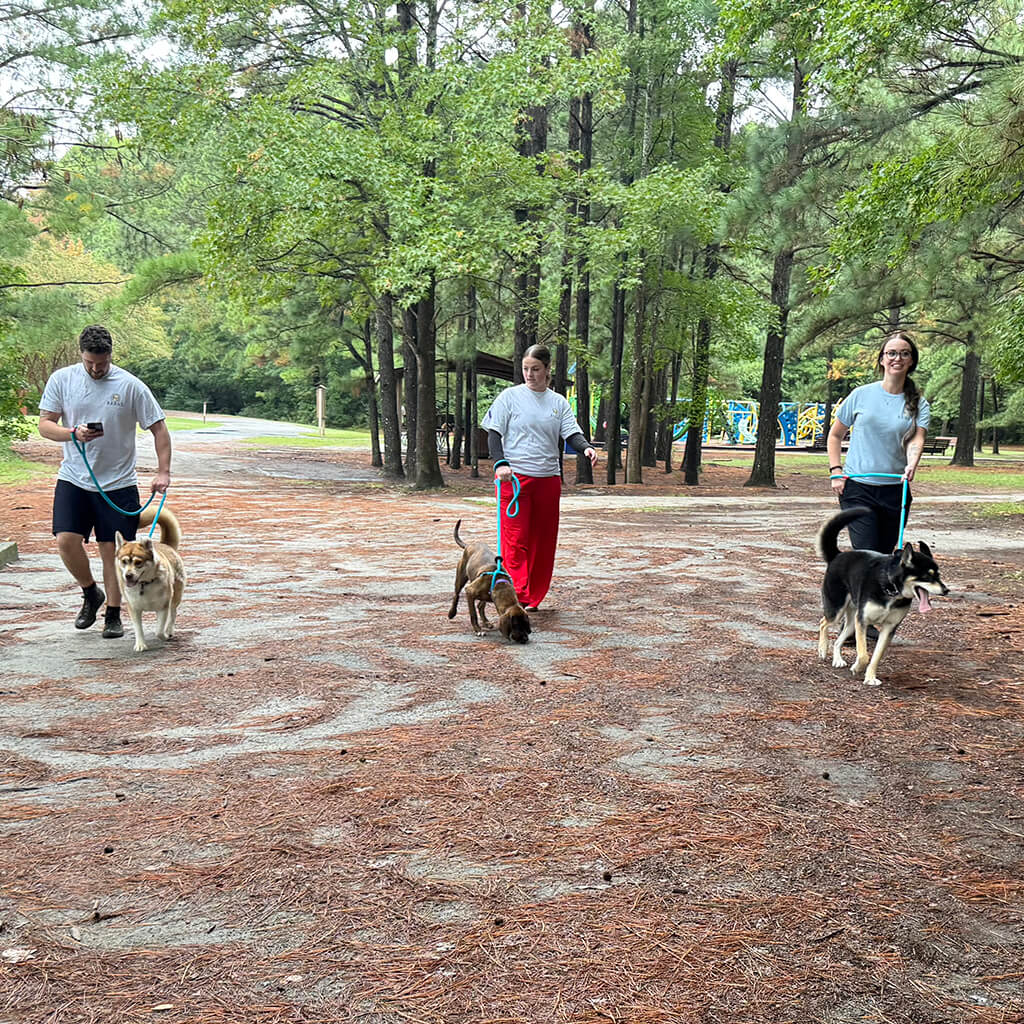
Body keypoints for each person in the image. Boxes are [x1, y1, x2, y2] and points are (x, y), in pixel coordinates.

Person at [37, 325, 171, 639]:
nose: (96, 369)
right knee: (65, 541)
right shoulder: (63, 380)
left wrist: (163, 472)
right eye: (90, 363)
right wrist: (73, 433)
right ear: (80, 355)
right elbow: (45, 425)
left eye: (102, 362)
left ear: (110, 354)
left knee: (114, 550)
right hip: (74, 477)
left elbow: (160, 430)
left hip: (119, 483)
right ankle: (90, 593)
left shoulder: (130, 385)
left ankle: (113, 613)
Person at [482, 344, 598, 612]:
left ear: (547, 370)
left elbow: (571, 433)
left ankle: (533, 596)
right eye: (526, 369)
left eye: (535, 369)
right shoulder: (509, 398)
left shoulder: (558, 402)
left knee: (542, 541)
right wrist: (500, 463)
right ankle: (517, 596)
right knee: (515, 539)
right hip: (515, 479)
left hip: (548, 480)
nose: (530, 374)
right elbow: (494, 433)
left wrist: (586, 448)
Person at [827, 331, 929, 553]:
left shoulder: (919, 403)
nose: (897, 358)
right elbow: (835, 435)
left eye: (904, 354)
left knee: (883, 556)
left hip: (895, 490)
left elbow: (916, 439)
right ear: (882, 359)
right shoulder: (860, 395)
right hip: (857, 488)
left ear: (912, 361)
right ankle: (862, 589)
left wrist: (912, 464)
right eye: (891, 353)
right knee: (867, 552)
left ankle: (874, 589)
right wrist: (836, 471)